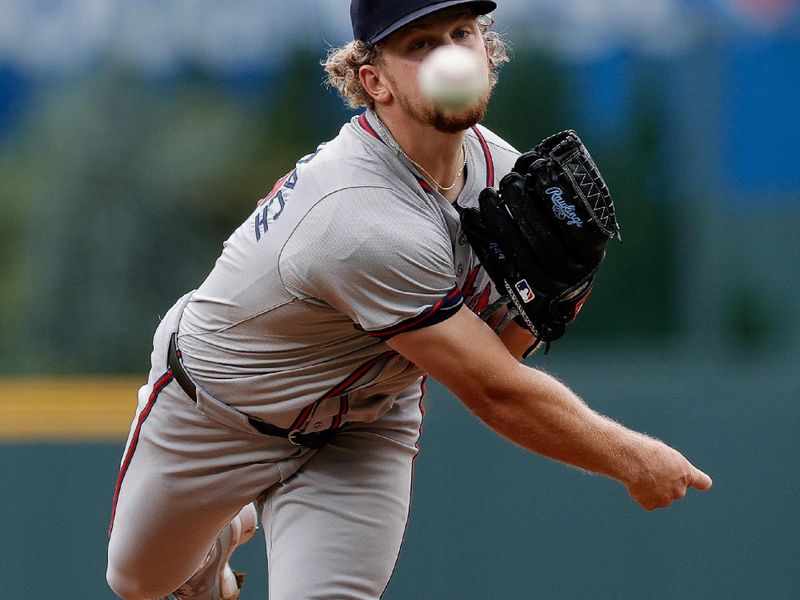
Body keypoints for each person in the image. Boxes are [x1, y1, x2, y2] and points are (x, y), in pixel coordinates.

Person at [106, 1, 713, 598]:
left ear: (487, 49)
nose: (449, 52)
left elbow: (496, 355)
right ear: (374, 81)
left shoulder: (503, 175)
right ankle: (222, 523)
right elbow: (496, 392)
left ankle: (235, 514)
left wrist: (543, 304)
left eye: (462, 31)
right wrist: (632, 459)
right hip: (217, 411)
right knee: (138, 582)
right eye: (419, 44)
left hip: (364, 426)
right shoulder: (358, 218)